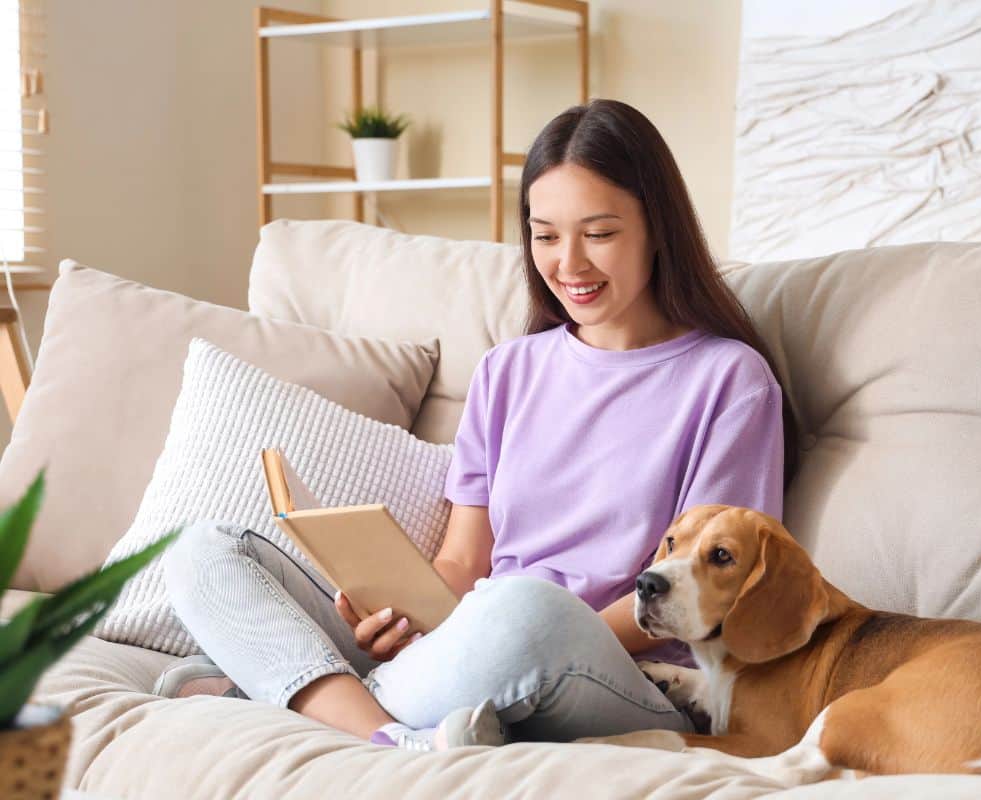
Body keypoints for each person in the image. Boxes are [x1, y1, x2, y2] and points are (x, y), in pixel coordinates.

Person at [155, 98, 800, 752]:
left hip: (619, 673)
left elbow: (698, 595)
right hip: (475, 645)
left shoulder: (729, 380)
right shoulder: (507, 370)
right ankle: (389, 736)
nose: (569, 265)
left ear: (657, 228)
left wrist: (480, 637)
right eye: (545, 235)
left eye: (599, 234)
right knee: (204, 549)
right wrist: (406, 623)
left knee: (525, 611)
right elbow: (465, 560)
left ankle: (295, 693)